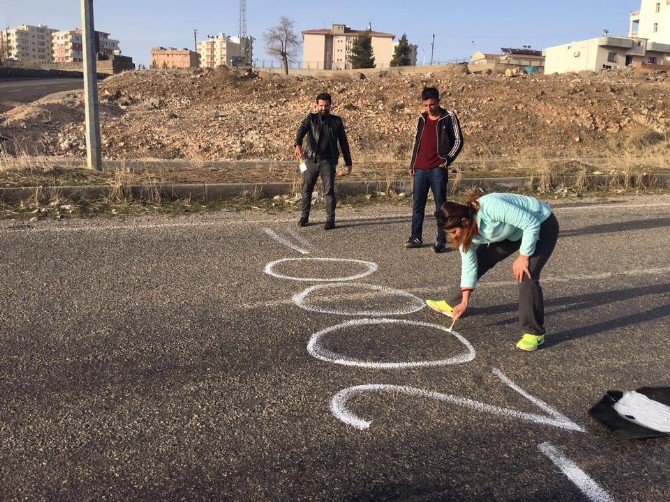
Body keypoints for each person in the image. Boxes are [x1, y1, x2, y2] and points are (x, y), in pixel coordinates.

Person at [426, 192, 559, 351]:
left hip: (541, 223)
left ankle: (535, 334)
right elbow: (470, 267)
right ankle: (455, 303)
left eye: (454, 232)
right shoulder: (465, 235)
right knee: (480, 261)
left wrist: (523, 256)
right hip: (512, 232)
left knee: (526, 273)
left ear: (464, 221)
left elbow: (530, 223)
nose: (453, 237)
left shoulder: (491, 207)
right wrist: (465, 302)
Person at [406, 86, 463, 253]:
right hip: (420, 169)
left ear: (438, 101)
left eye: (431, 104)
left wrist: (447, 160)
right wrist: (412, 164)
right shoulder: (422, 119)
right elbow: (416, 142)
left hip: (438, 168)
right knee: (417, 205)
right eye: (425, 105)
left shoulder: (448, 116)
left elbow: (458, 141)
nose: (428, 108)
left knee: (440, 206)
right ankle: (416, 237)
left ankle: (441, 240)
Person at [294, 92, 353, 230]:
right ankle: (304, 217)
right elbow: (300, 131)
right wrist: (297, 145)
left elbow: (344, 143)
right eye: (321, 105)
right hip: (310, 160)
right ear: (316, 105)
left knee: (329, 191)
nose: (323, 108)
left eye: (326, 105)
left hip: (328, 162)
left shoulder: (336, 121)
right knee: (306, 189)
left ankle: (330, 220)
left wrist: (348, 162)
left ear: (330, 105)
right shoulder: (310, 118)